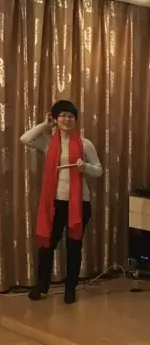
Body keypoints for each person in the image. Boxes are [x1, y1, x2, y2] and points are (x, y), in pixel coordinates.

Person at [21, 100, 102, 305]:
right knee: (47, 245)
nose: (67, 119)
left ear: (76, 119)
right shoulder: (48, 142)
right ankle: (41, 285)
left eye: (71, 116)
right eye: (62, 115)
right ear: (56, 119)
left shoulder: (85, 143)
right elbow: (25, 139)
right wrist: (44, 124)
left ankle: (70, 289)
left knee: (74, 246)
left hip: (79, 204)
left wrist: (85, 167)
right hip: (54, 203)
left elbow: (99, 170)